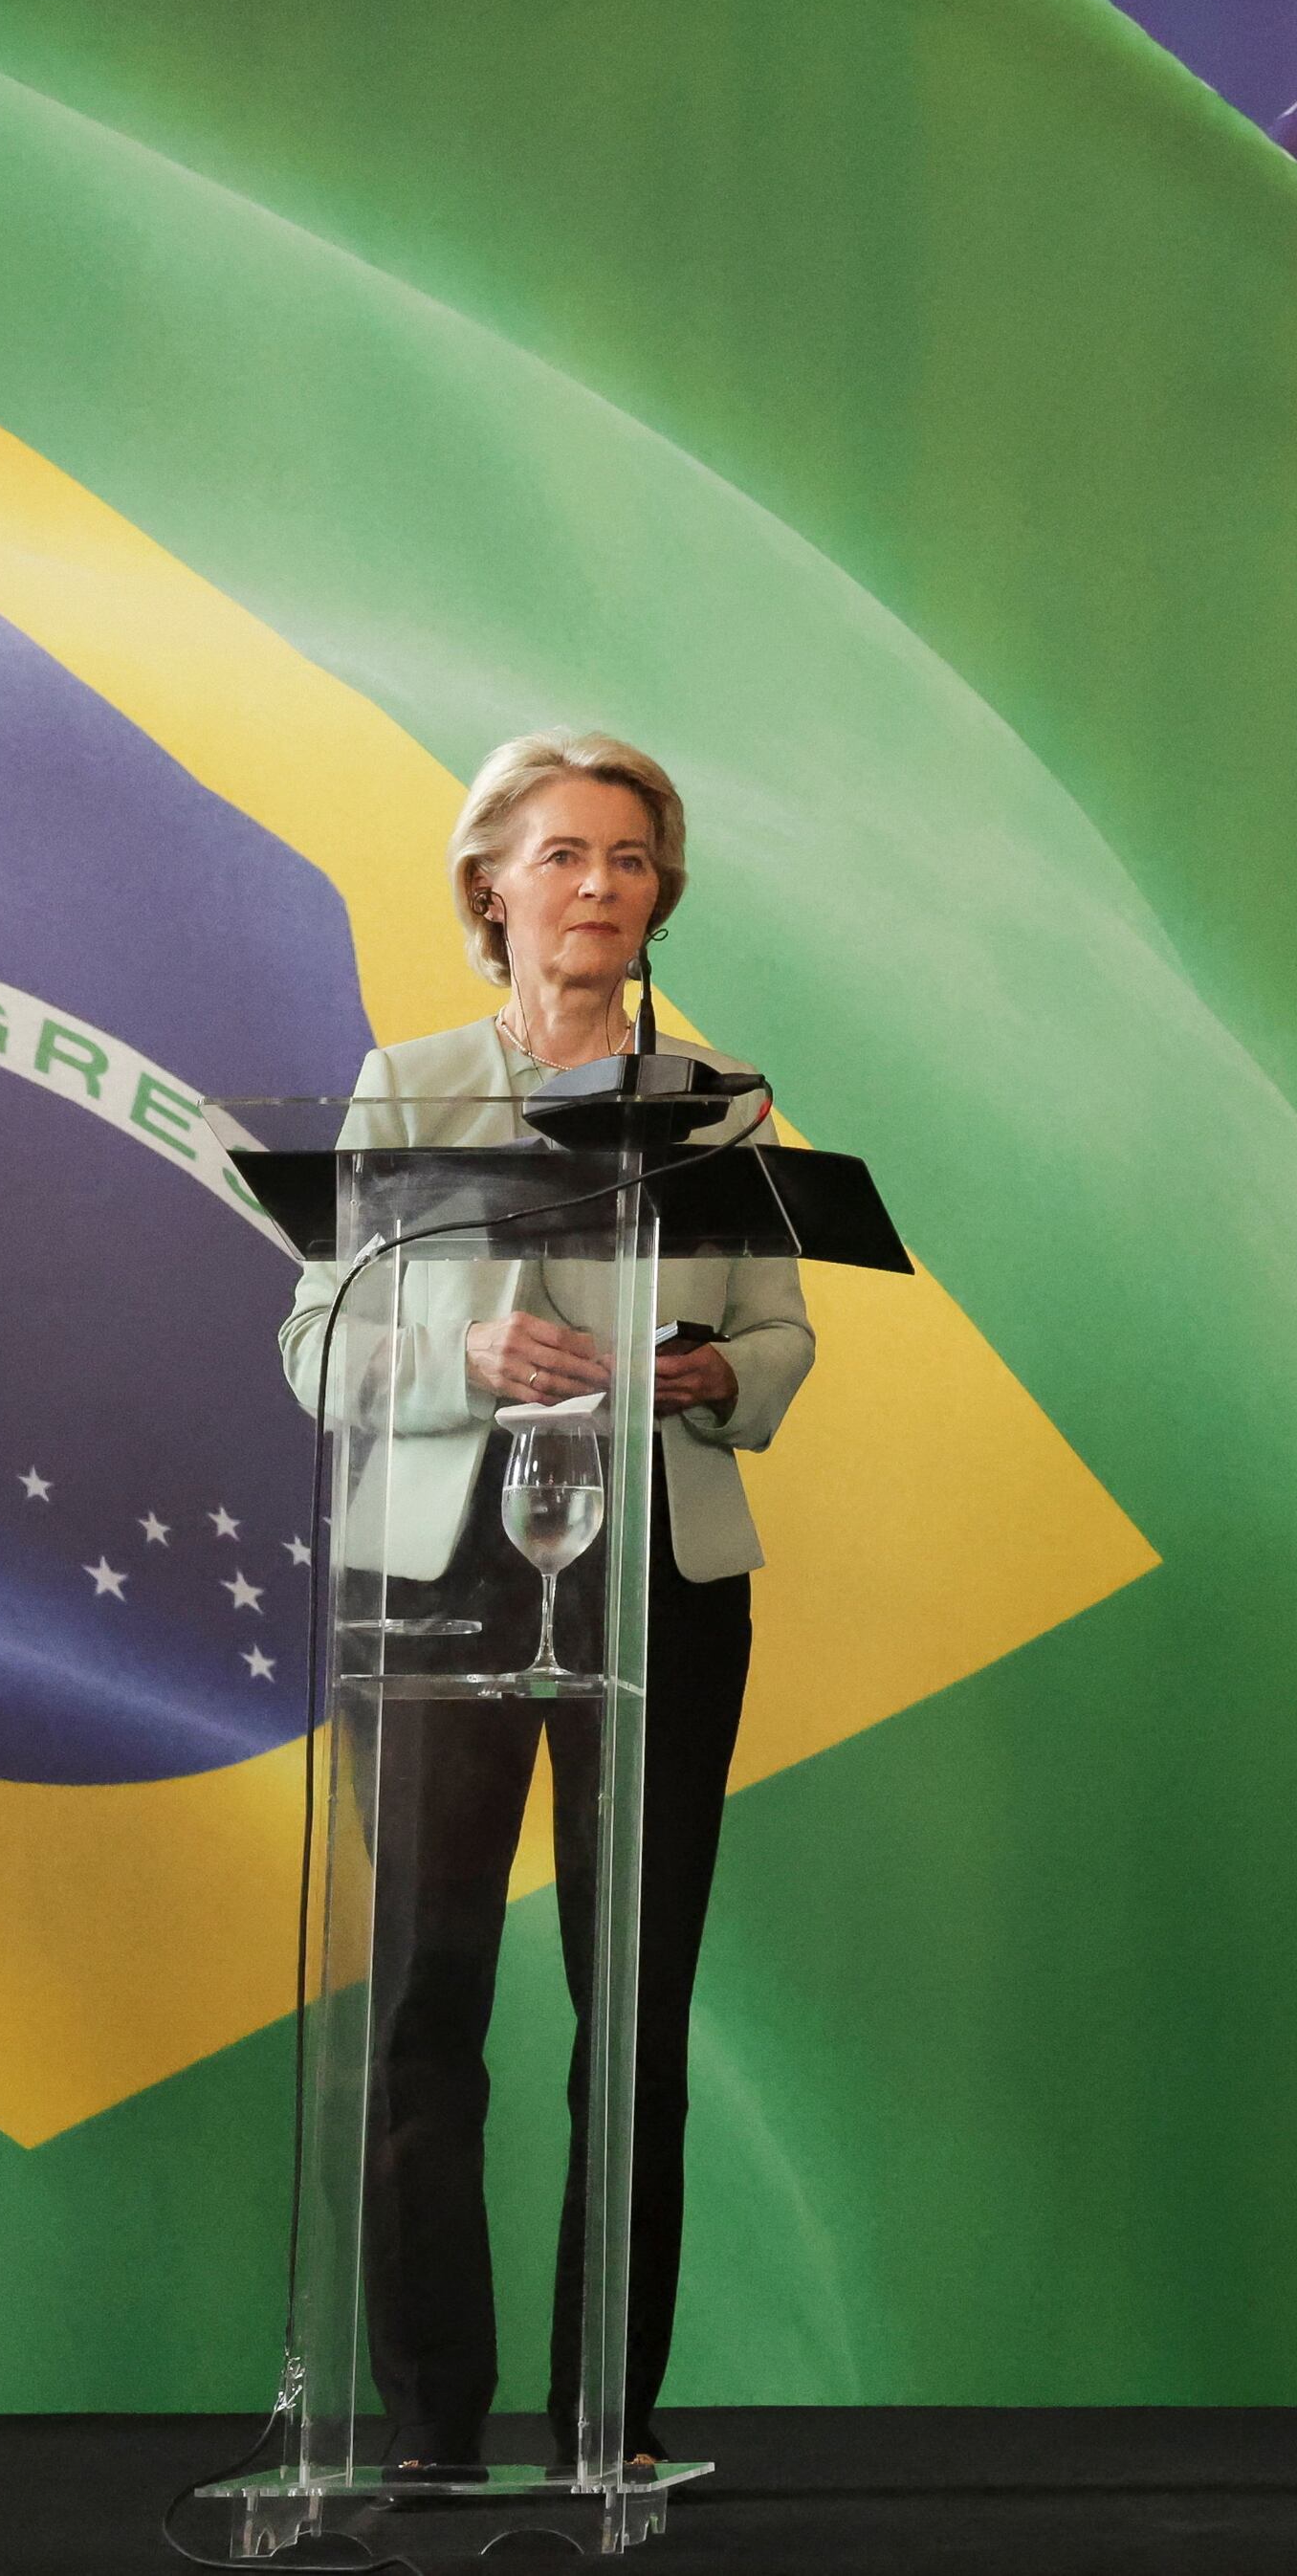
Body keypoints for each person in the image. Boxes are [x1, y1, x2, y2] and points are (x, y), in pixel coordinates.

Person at [277, 729, 815, 2480]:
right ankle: (432, 2423)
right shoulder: (409, 1082)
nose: (602, 886)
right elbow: (319, 1338)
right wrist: (465, 1353)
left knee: (634, 2006)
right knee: (429, 1994)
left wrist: (702, 1372)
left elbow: (786, 1338)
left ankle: (607, 2425)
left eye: (635, 859)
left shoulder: (718, 1098)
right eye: (568, 854)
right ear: (489, 887)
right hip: (439, 1569)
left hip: (658, 1566)